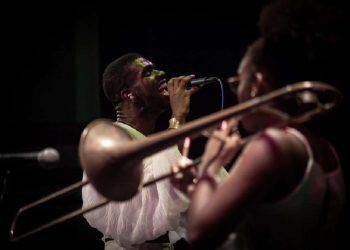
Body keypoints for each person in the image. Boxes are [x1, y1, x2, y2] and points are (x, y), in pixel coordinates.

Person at [187, 25, 346, 250]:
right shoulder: (325, 148)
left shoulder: (271, 145)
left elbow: (198, 236)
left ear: (256, 84)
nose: (237, 92)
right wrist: (194, 188)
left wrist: (208, 165)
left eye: (238, 82)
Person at [81, 53, 227, 250]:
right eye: (148, 72)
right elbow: (143, 205)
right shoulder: (112, 142)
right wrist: (177, 119)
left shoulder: (157, 145)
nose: (162, 73)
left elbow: (183, 203)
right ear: (129, 95)